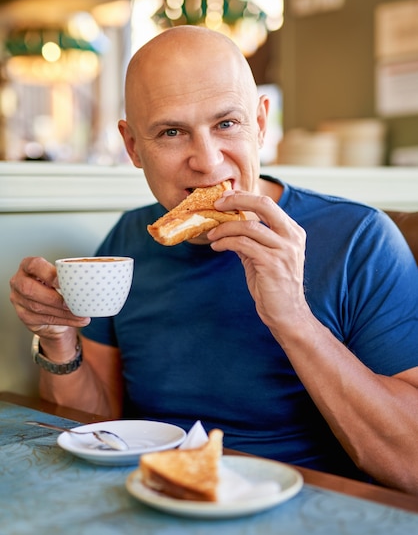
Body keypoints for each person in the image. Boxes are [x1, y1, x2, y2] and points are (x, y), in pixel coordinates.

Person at [10, 26, 418, 494]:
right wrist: (59, 339)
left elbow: (412, 465)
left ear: (261, 124)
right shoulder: (126, 240)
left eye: (226, 124)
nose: (206, 161)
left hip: (305, 513)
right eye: (171, 132)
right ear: (133, 147)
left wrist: (293, 318)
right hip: (153, 498)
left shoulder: (358, 240)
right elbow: (97, 426)